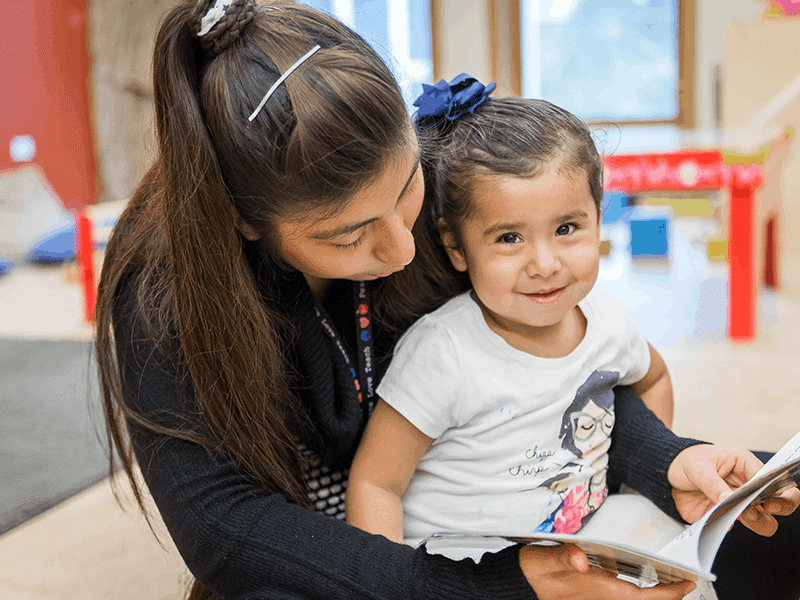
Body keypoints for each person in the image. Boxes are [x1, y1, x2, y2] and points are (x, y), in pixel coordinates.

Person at [94, 1, 799, 599]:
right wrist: (491, 586)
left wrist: (663, 461)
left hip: (518, 502)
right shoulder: (163, 293)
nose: (402, 250)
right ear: (245, 222)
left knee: (770, 510)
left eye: (405, 190)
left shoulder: (446, 185)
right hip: (341, 557)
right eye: (347, 236)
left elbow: (565, 374)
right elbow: (226, 531)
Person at [347, 88, 677, 551]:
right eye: (509, 238)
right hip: (461, 569)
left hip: (578, 550)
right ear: (456, 247)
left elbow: (654, 377)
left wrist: (639, 488)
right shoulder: (443, 351)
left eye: (566, 229)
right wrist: (389, 579)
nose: (544, 264)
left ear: (598, 220)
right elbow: (375, 484)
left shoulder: (610, 323)